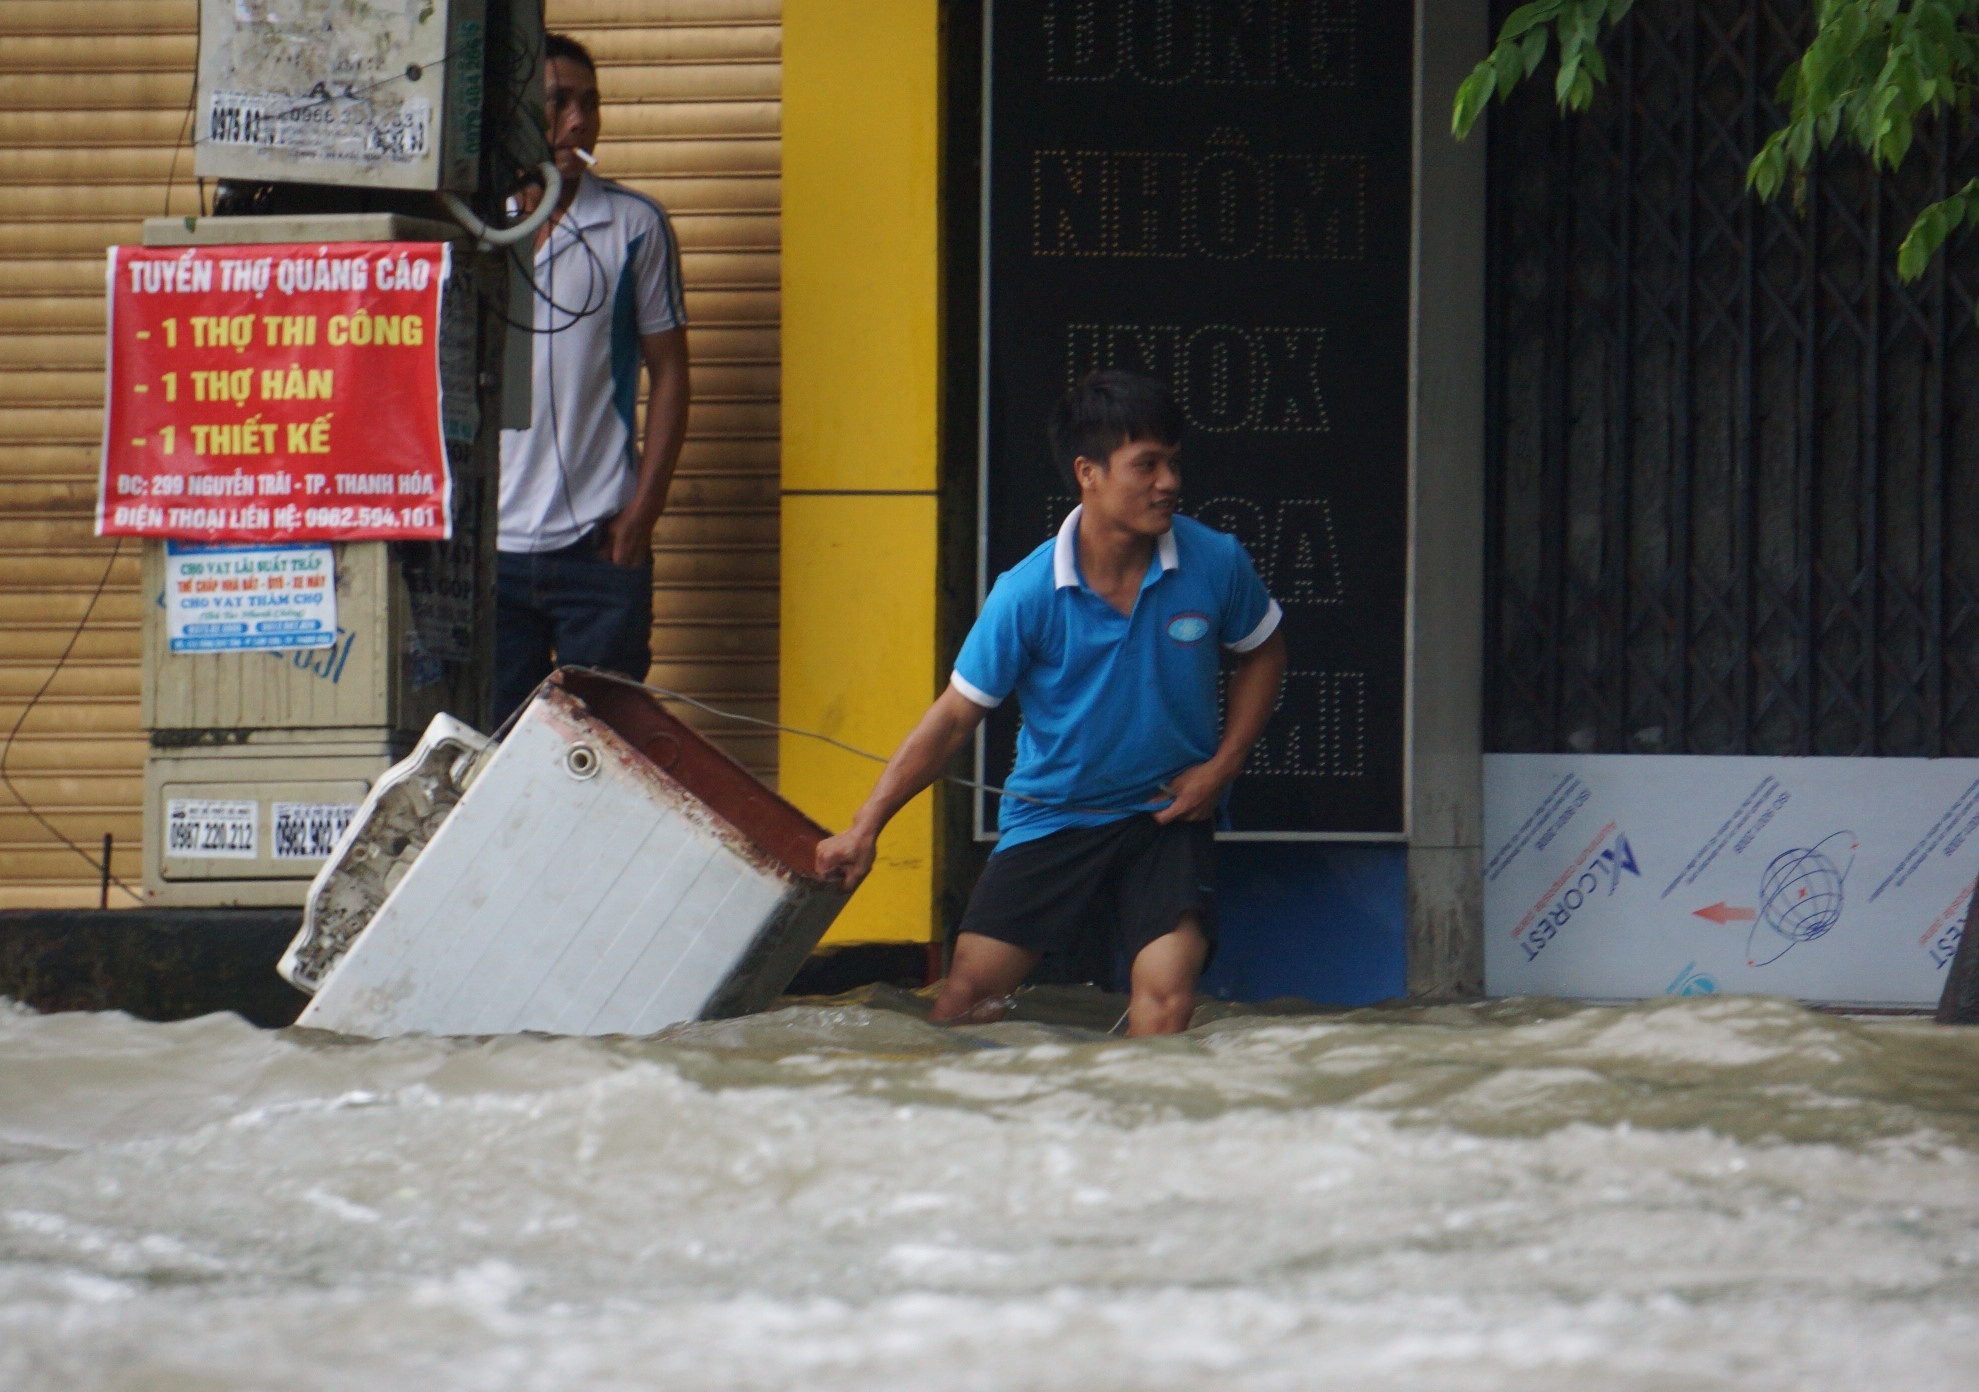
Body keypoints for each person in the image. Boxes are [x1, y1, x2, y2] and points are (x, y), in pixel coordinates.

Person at [815, 370, 1287, 1036]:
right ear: (1087, 473)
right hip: (1054, 814)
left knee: (1166, 1003)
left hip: (1165, 817)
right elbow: (953, 718)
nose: (1169, 483)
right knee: (964, 1004)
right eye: (1145, 465)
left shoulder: (1215, 561)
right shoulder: (1025, 591)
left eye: (1173, 463)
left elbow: (1262, 654)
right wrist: (866, 826)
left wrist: (1223, 766)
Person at [494, 33, 690, 719]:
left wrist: (641, 516)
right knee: (485, 758)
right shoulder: (478, 228)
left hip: (598, 550)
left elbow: (670, 374)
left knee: (602, 748)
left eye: (589, 104)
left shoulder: (632, 225)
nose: (578, 122)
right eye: (558, 104)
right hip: (492, 555)